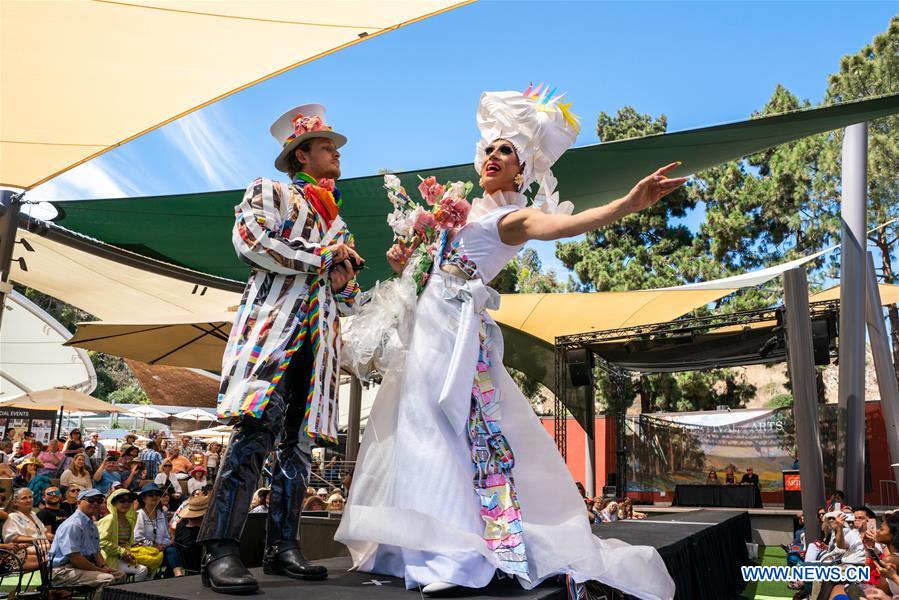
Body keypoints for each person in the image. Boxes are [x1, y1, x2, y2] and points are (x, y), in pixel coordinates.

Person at [335, 86, 683, 599]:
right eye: (490, 148)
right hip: (429, 331)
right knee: (418, 430)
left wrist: (626, 204)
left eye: (506, 151)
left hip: (454, 337)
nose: (493, 156)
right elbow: (432, 274)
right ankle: (416, 546)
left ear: (523, 169)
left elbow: (565, 225)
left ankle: (452, 555)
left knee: (439, 429)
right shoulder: (462, 213)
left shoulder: (510, 219)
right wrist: (405, 261)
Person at [198, 102, 361, 594]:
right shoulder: (268, 191)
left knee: (299, 446)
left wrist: (342, 275)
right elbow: (250, 242)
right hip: (273, 331)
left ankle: (282, 545)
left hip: (319, 342)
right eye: (328, 146)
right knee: (254, 435)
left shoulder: (337, 219)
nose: (336, 154)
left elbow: (347, 296)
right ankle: (220, 548)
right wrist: (322, 258)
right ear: (302, 154)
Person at [49, 488, 126, 594]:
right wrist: (99, 570)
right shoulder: (73, 525)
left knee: (120, 575)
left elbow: (96, 552)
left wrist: (104, 566)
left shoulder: (91, 524)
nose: (95, 503)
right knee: (107, 578)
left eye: (99, 500)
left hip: (79, 566)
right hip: (62, 571)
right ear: (79, 502)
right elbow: (75, 559)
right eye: (91, 500)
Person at [97, 489, 149, 582]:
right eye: (122, 501)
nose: (126, 504)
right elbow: (101, 542)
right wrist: (122, 552)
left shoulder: (129, 520)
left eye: (129, 501)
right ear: (113, 503)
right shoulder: (109, 519)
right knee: (142, 570)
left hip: (124, 557)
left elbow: (125, 542)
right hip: (109, 559)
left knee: (152, 562)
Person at [134, 483, 184, 577]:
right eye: (151, 494)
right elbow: (137, 538)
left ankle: (176, 576)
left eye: (157, 494)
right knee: (171, 552)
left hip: (162, 549)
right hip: (145, 550)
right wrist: (155, 546)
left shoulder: (161, 514)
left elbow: (166, 535)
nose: (155, 497)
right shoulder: (139, 515)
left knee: (173, 550)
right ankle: (177, 576)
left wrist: (163, 545)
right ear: (144, 498)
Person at [174, 494, 210, 573]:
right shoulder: (202, 536)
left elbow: (181, 521)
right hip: (203, 569)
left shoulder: (180, 527)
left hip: (187, 568)